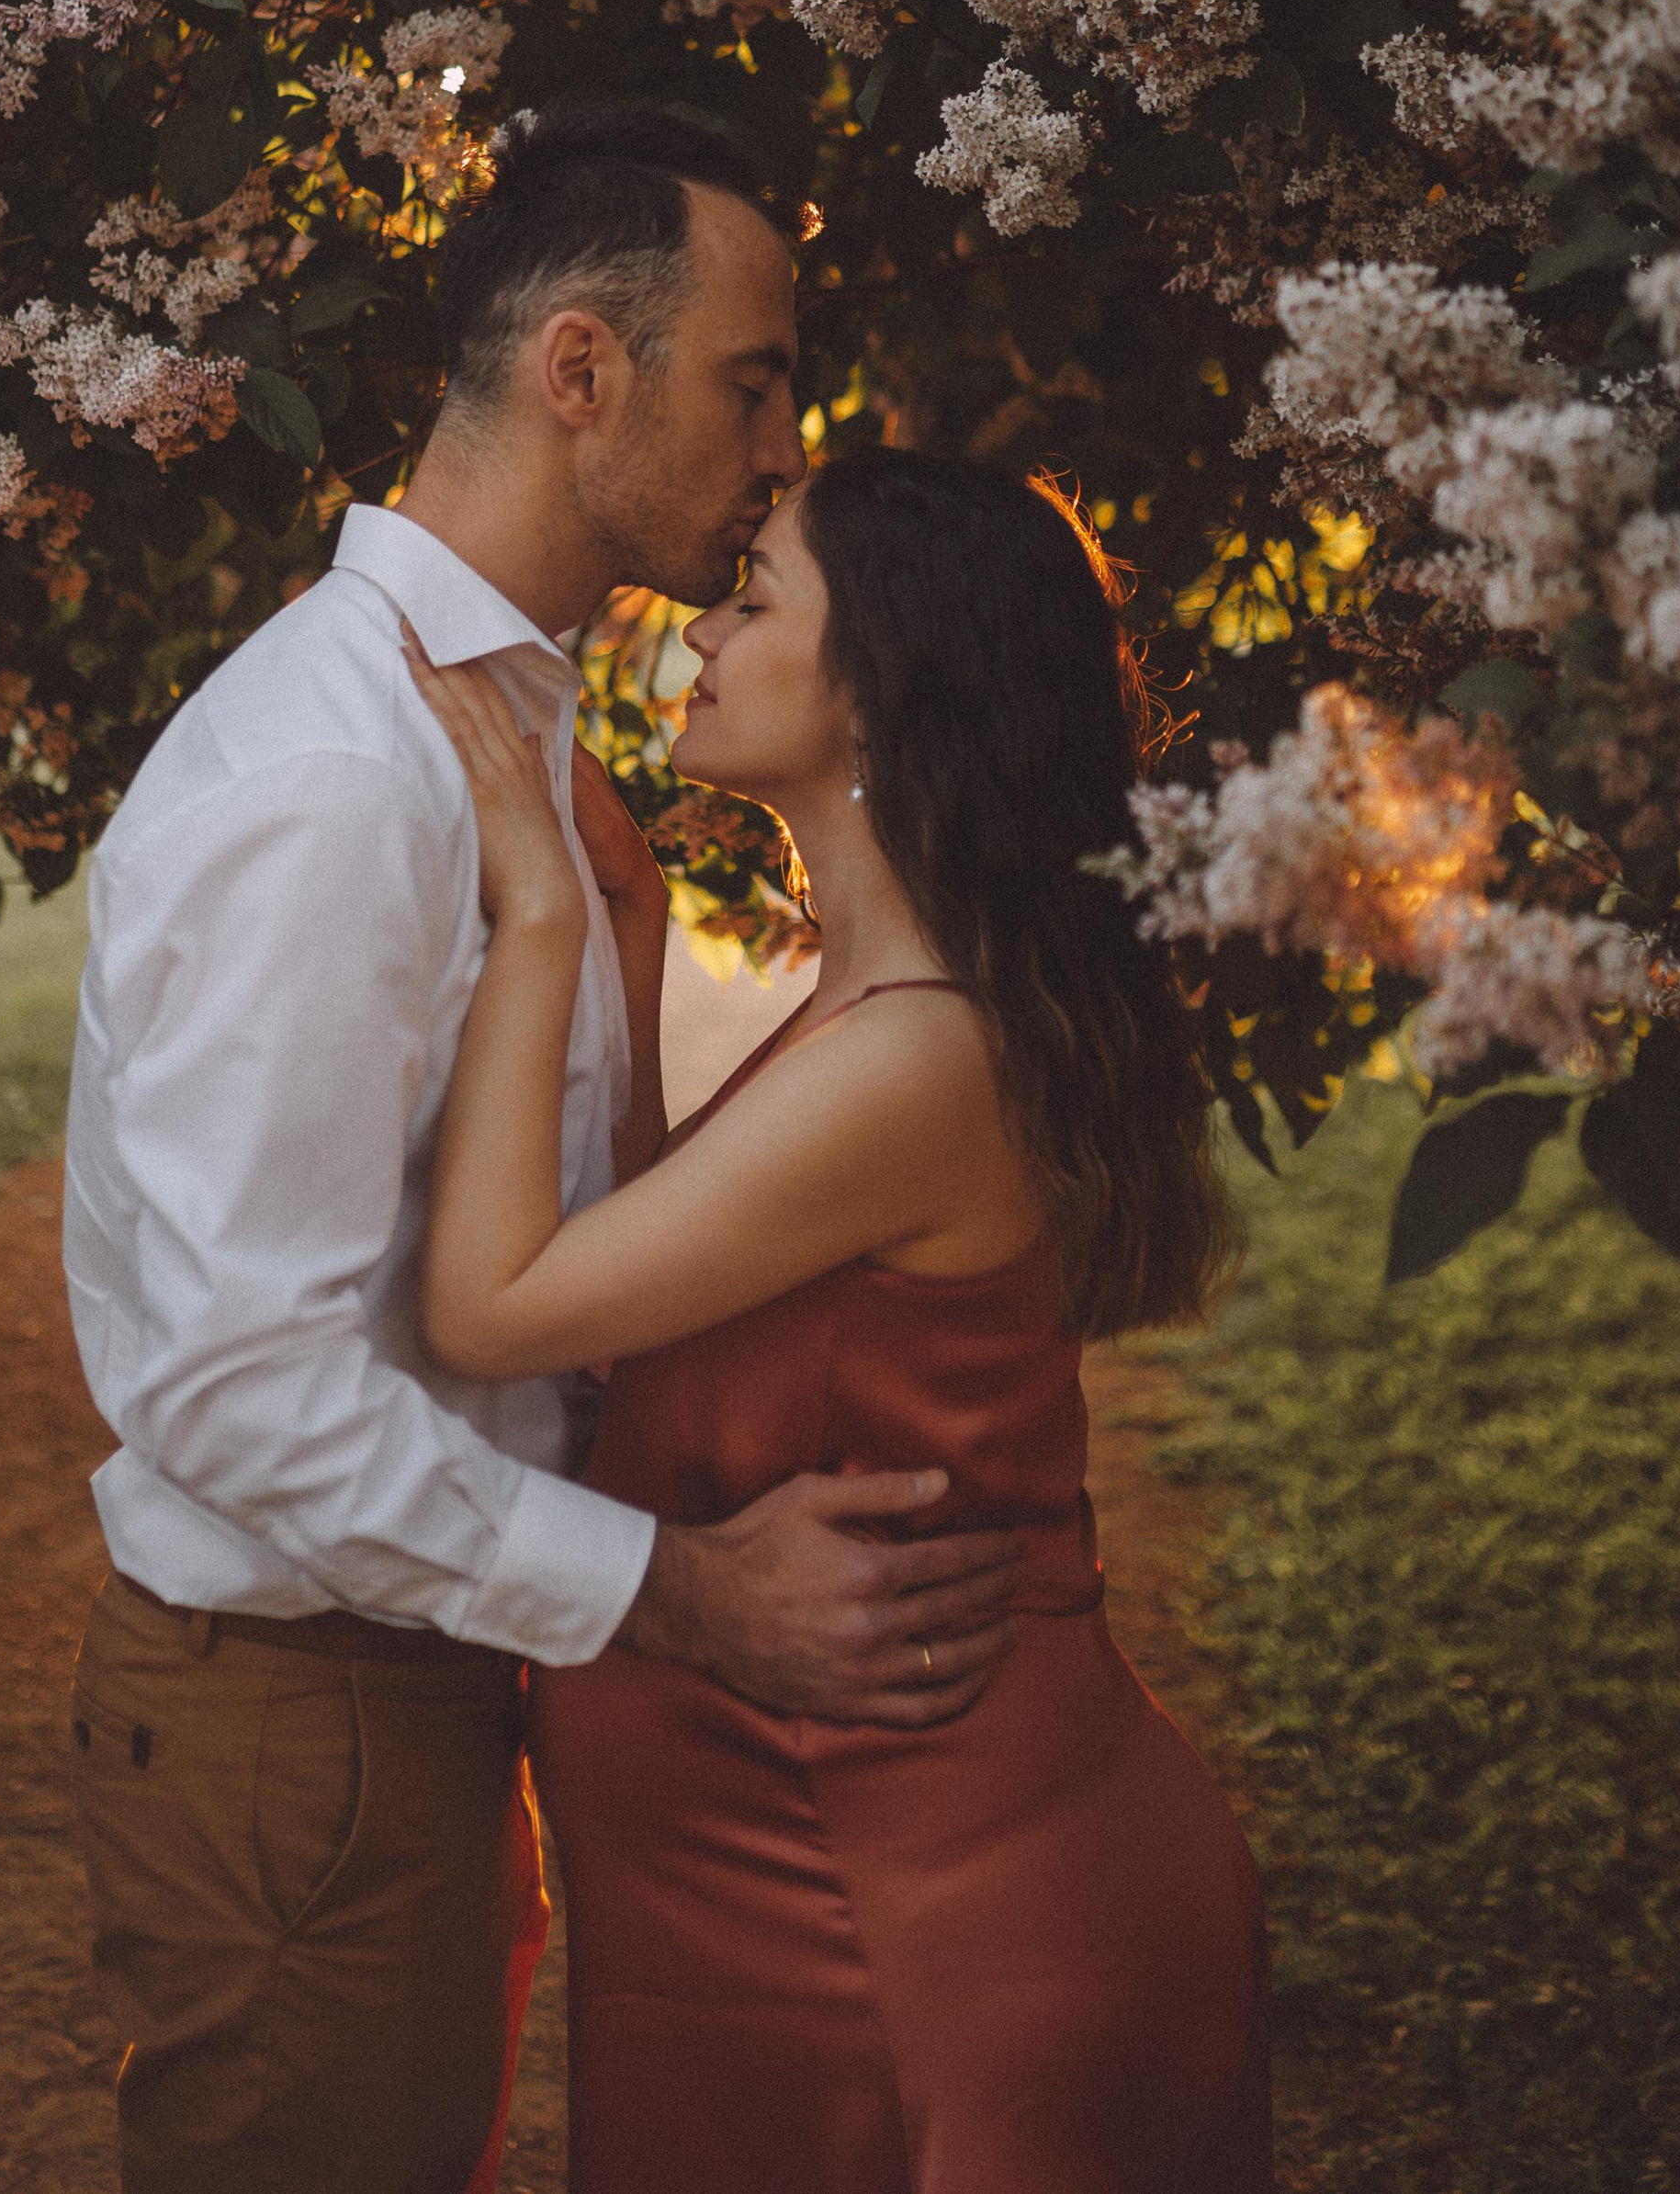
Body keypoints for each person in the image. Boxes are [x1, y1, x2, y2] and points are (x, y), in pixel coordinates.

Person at [62, 103, 1040, 2194]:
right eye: (753, 381)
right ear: (581, 368)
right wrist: (675, 1597)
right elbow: (236, 1384)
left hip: (407, 1679)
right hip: (301, 1701)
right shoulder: (339, 771)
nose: (786, 449)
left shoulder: (506, 745)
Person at [406, 447, 1274, 2194]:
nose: (700, 628)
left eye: (757, 596)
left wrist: (542, 915)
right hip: (808, 1882)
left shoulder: (915, 1058)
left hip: (935, 1920)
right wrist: (637, 927)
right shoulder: (878, 1009)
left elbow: (498, 1306)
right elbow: (634, 1298)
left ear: (879, 679)